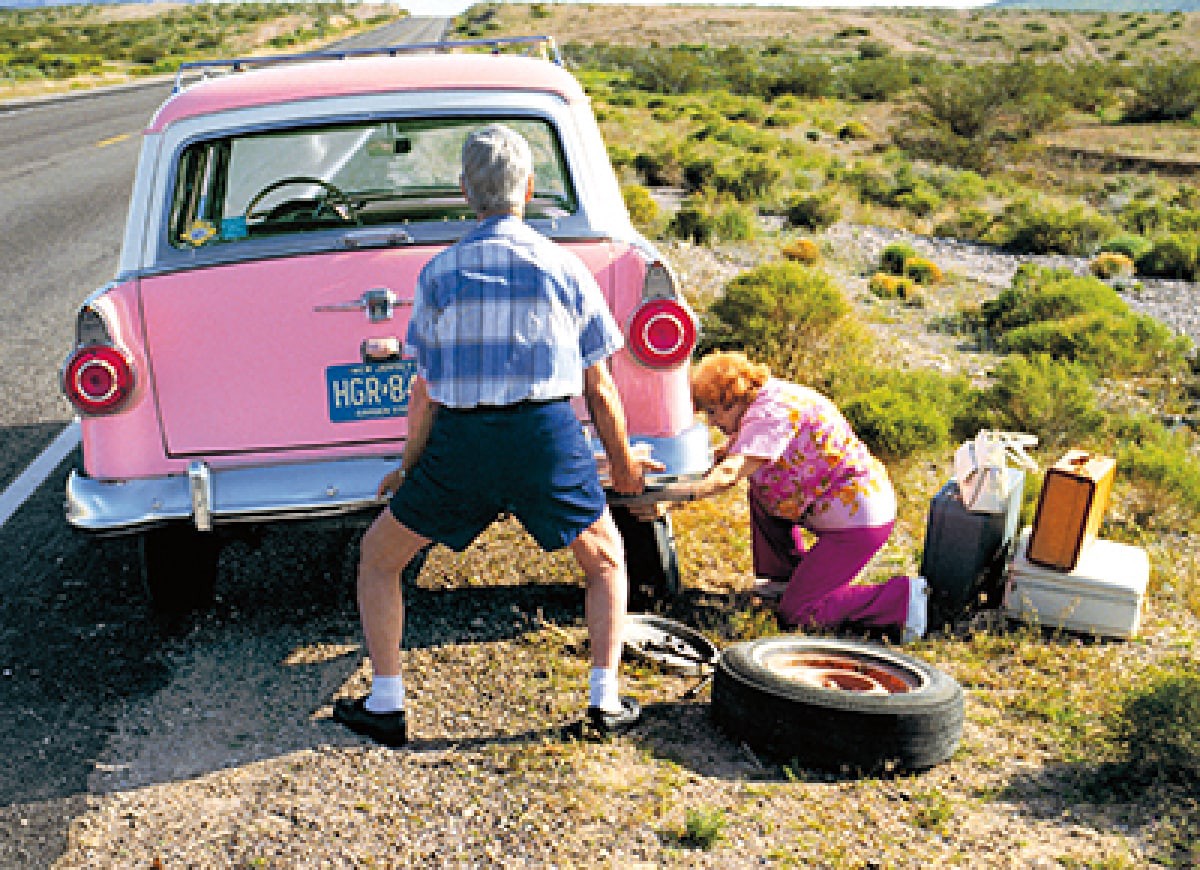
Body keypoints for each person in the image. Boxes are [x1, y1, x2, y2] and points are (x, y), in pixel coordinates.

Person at [333, 124, 655, 747]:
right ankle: (605, 700)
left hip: (463, 441)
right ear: (530, 189)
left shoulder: (438, 272)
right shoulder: (565, 267)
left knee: (380, 558)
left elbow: (424, 388)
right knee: (605, 560)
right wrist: (623, 467)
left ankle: (387, 701)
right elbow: (600, 386)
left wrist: (409, 468)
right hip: (547, 435)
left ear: (464, 193)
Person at [634, 350, 927, 640]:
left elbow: (728, 474)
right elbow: (723, 457)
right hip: (843, 506)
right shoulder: (764, 400)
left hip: (858, 522)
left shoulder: (769, 416)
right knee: (762, 489)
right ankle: (785, 579)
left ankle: (902, 600)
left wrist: (669, 501)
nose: (712, 422)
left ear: (732, 400)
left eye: (712, 411)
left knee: (800, 612)